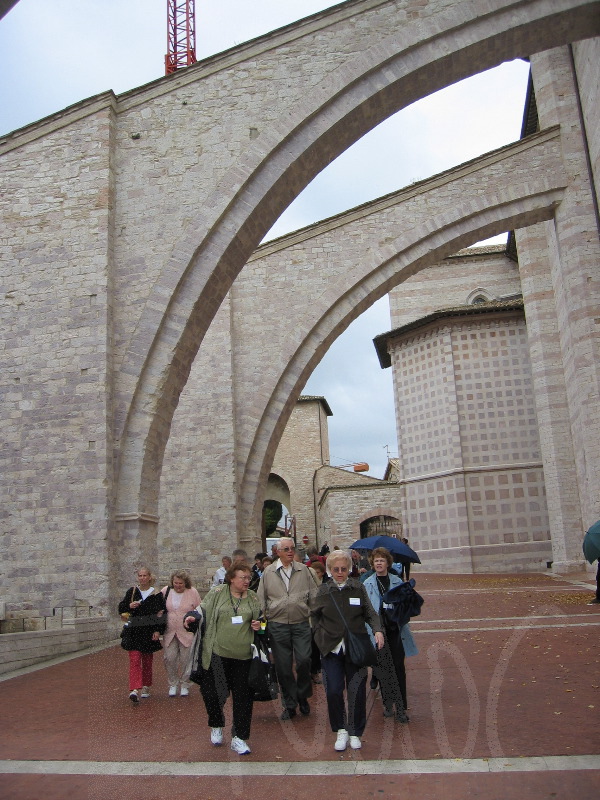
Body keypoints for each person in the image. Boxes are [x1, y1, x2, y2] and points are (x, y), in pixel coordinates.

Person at [310, 549, 384, 751]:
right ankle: (340, 730)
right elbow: (314, 616)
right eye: (336, 569)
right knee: (333, 690)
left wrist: (377, 630)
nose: (340, 572)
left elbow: (370, 613)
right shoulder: (324, 591)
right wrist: (319, 636)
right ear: (330, 570)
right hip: (331, 647)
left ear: (349, 569)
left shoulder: (357, 588)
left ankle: (355, 731)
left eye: (344, 569)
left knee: (358, 691)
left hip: (355, 646)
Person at [184, 563, 261, 755]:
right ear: (231, 578)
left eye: (248, 577)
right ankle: (216, 724)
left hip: (244, 657)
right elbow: (201, 610)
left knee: (243, 699)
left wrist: (261, 625)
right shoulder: (218, 592)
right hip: (217, 655)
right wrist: (191, 617)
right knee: (212, 694)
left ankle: (239, 738)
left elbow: (263, 619)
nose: (246, 581)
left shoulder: (252, 596)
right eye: (243, 577)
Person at [257, 536, 317, 720]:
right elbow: (261, 598)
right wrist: (261, 618)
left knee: (304, 661)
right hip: (278, 624)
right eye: (286, 549)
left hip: (301, 623)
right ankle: (290, 704)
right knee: (283, 667)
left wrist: (313, 618)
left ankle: (303, 695)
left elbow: (314, 596)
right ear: (278, 552)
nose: (290, 552)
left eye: (292, 548)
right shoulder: (268, 572)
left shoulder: (304, 571)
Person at [363, 547, 418, 723]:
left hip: (396, 631)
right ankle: (388, 704)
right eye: (376, 560)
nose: (379, 563)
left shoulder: (397, 581)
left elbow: (407, 607)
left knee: (398, 668)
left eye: (382, 560)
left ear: (388, 562)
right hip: (378, 633)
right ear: (372, 563)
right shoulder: (367, 583)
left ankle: (401, 707)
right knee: (382, 669)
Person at [118, 566, 167, 703]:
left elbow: (161, 614)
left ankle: (146, 685)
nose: (142, 578)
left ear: (150, 577)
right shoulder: (132, 591)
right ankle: (134, 689)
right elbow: (121, 608)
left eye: (145, 575)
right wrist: (129, 606)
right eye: (140, 576)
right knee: (134, 659)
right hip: (133, 630)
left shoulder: (156, 594)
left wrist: (158, 630)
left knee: (147, 660)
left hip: (148, 631)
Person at [161, 570, 201, 697]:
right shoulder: (166, 591)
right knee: (170, 658)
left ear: (185, 583)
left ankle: (185, 683)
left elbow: (199, 609)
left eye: (181, 583)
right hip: (170, 631)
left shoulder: (192, 592)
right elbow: (159, 607)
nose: (178, 585)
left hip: (186, 631)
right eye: (176, 583)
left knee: (186, 658)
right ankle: (173, 683)